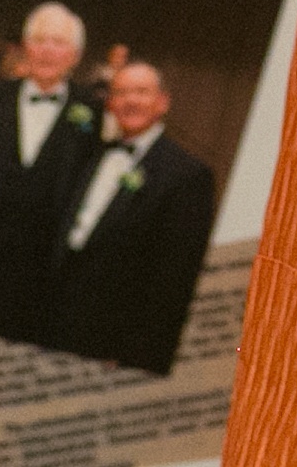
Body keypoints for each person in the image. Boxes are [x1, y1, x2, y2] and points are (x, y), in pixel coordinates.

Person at [0, 3, 100, 342]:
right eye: (39, 40)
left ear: (76, 55)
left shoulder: (95, 115)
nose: (48, 51)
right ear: (25, 47)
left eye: (59, 42)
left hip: (43, 279)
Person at [51, 60, 213, 374]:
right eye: (121, 93)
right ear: (110, 103)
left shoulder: (188, 176)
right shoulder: (93, 154)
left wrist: (132, 355)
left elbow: (174, 281)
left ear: (162, 103)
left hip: (114, 345)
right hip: (58, 326)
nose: (130, 101)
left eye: (141, 92)